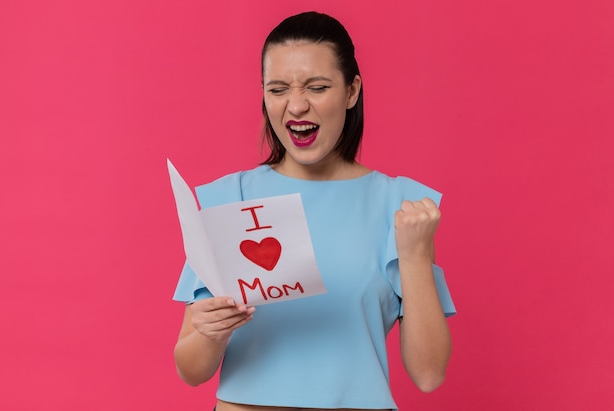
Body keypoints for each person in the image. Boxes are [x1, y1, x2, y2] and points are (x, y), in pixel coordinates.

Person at [173, 11, 456, 411]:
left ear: (352, 91)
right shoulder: (231, 199)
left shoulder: (401, 208)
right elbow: (191, 369)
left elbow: (429, 375)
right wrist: (211, 333)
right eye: (277, 89)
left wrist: (413, 256)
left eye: (317, 87)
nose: (297, 105)